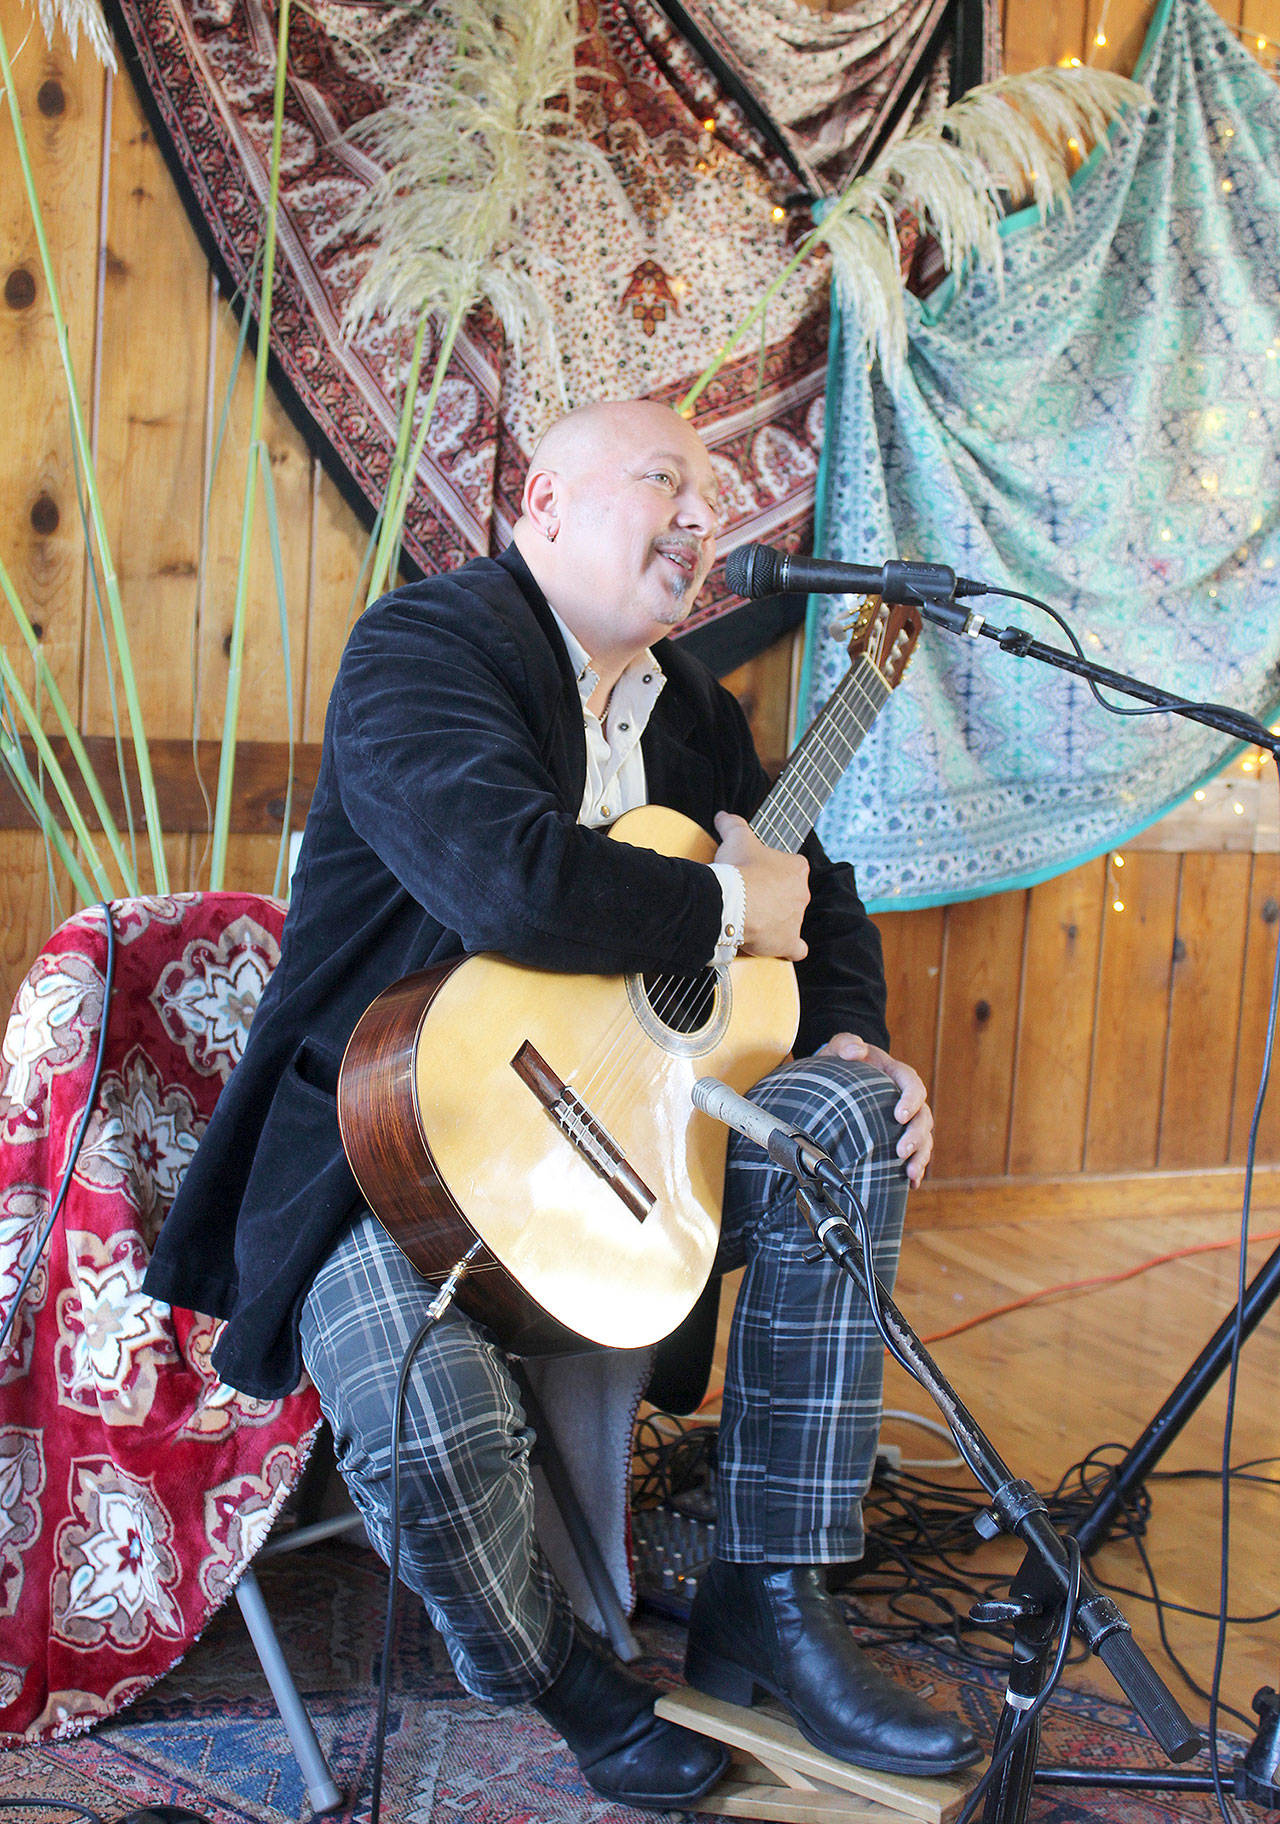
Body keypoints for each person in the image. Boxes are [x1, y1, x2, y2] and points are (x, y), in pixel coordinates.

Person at [145, 398, 979, 1811]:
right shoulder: (428, 649)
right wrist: (724, 902)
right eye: (668, 482)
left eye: (716, 504)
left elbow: (815, 899)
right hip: (382, 1142)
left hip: (616, 1157)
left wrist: (851, 1037)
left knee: (841, 1126)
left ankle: (774, 1593)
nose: (703, 521)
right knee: (428, 1426)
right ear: (542, 500)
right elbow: (507, 879)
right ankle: (563, 1683)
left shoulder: (700, 716)